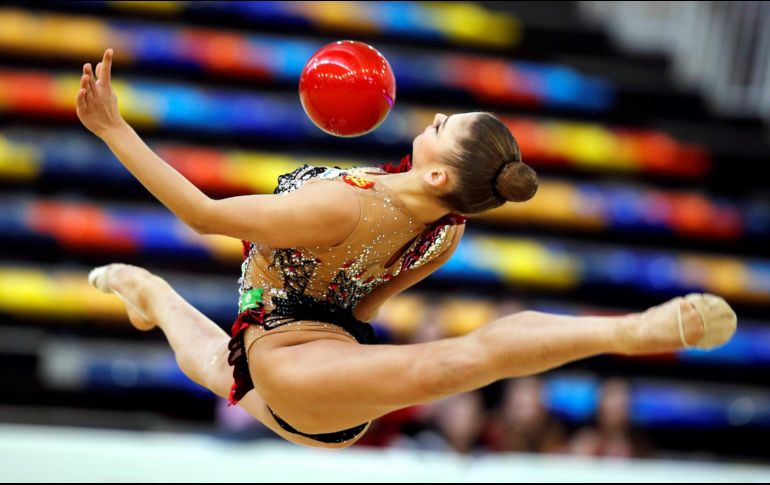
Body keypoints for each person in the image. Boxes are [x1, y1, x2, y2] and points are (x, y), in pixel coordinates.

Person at [78, 49, 737, 449]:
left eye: (448, 126)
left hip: (295, 369)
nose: (438, 117)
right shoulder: (447, 230)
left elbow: (202, 214)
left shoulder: (346, 204)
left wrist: (113, 128)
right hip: (320, 384)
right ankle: (154, 293)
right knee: (216, 366)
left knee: (446, 365)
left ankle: (633, 331)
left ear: (439, 176)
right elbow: (361, 308)